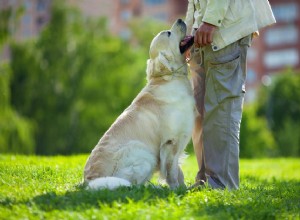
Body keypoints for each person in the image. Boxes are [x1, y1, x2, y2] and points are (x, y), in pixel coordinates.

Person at [185, 0, 276, 189]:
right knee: (199, 112)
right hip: (201, 34)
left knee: (221, 109)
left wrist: (210, 21)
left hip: (225, 30)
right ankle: (205, 180)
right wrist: (188, 31)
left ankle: (221, 183)